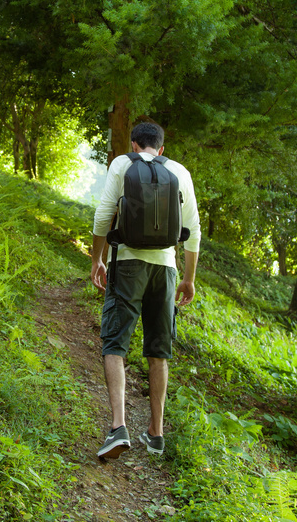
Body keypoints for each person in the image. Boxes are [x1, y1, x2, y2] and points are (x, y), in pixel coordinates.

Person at [90, 122, 200, 459]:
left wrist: (97, 258)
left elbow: (104, 213)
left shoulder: (123, 164)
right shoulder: (179, 171)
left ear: (135, 145)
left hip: (129, 265)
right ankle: (156, 433)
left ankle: (118, 427)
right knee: (158, 350)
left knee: (115, 342)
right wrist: (188, 278)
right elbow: (192, 230)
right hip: (166, 270)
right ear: (161, 149)